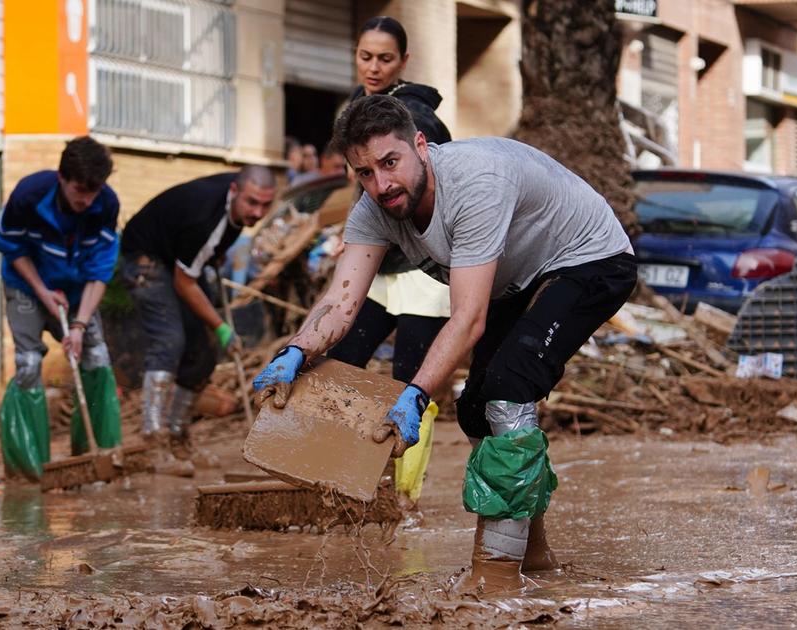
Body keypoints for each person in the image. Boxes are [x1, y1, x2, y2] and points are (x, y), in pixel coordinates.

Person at [253, 96, 636, 592]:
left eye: (390, 163)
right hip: (516, 278)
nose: (382, 184)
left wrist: (414, 395)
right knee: (476, 407)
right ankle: (533, 552)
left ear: (420, 146)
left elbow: (469, 319)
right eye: (364, 173)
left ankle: (496, 573)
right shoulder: (374, 209)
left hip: (591, 259)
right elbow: (340, 303)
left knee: (509, 384)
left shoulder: (476, 183)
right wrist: (295, 352)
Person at [327, 16, 451, 389]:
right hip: (379, 262)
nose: (374, 68)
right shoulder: (355, 106)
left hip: (421, 265)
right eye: (366, 57)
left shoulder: (415, 117)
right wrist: (350, 232)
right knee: (340, 363)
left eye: (385, 58)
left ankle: (407, 450)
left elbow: (426, 190)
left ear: (403, 61)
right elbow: (362, 188)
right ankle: (335, 448)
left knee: (410, 385)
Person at [0, 136, 122, 481]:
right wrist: (42, 291)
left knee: (97, 357)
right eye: (80, 190)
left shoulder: (105, 204)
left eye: (94, 192)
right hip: (27, 283)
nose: (87, 199)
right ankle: (30, 471)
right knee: (28, 363)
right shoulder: (29, 195)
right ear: (62, 178)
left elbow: (100, 272)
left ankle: (99, 455)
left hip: (78, 287)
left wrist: (79, 326)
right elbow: (11, 247)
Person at [121, 166, 277, 440]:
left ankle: (178, 434)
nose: (257, 213)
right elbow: (184, 282)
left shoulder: (236, 202)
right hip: (146, 257)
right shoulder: (205, 219)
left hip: (178, 256)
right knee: (170, 340)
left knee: (204, 349)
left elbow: (205, 250)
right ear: (234, 190)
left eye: (266, 205)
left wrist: (213, 254)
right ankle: (153, 435)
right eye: (252, 203)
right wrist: (221, 327)